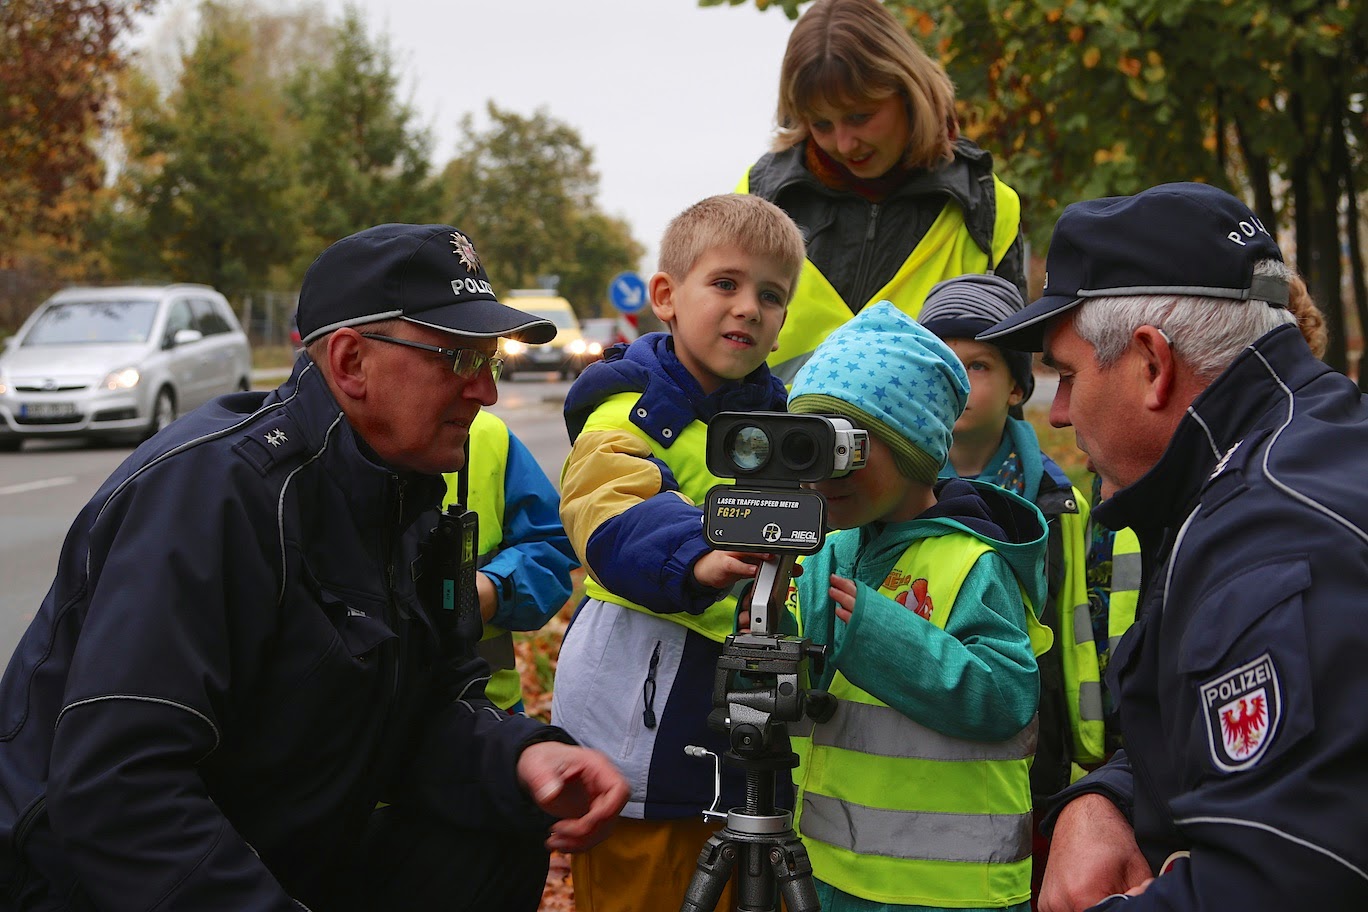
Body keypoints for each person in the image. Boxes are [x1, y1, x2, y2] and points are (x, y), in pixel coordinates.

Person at [0, 223, 629, 912]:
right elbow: (118, 788)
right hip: (91, 884)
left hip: (282, 850)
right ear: (351, 362)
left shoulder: (405, 490)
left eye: (491, 362)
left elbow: (424, 705)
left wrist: (519, 755)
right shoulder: (216, 496)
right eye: (456, 360)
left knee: (497, 821)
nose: (486, 393)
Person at [979, 182, 1368, 911]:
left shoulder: (1273, 540)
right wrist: (1104, 799)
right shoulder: (1283, 461)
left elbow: (1281, 881)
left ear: (1152, 364)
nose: (1057, 413)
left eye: (1065, 375)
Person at [551, 193, 807, 911]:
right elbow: (610, 505)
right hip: (642, 742)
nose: (747, 308)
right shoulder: (628, 409)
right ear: (665, 296)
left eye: (771, 295)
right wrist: (697, 555)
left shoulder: (775, 425)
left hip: (746, 731)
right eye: (724, 284)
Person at [774, 301, 1051, 911]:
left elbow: (1005, 698)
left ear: (913, 447)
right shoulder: (825, 549)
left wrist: (877, 634)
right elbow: (806, 697)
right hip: (828, 868)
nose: (825, 473)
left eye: (847, 445)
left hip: (947, 888)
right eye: (808, 445)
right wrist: (765, 644)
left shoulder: (971, 560)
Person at [916, 274, 1102, 904]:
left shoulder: (1059, 503)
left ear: (1019, 385)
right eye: (944, 365)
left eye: (980, 365)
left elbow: (1075, 630)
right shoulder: (887, 495)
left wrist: (1083, 750)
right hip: (918, 749)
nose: (960, 383)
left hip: (1031, 763)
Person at [739, 0, 1026, 384]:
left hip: (929, 446)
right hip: (773, 440)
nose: (843, 143)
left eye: (860, 116)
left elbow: (1010, 380)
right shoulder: (761, 195)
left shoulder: (989, 209)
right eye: (821, 123)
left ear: (908, 92)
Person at [443, 409, 579, 714]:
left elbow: (551, 545)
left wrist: (493, 588)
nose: (485, 391)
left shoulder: (487, 435)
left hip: (487, 710)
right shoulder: (318, 440)